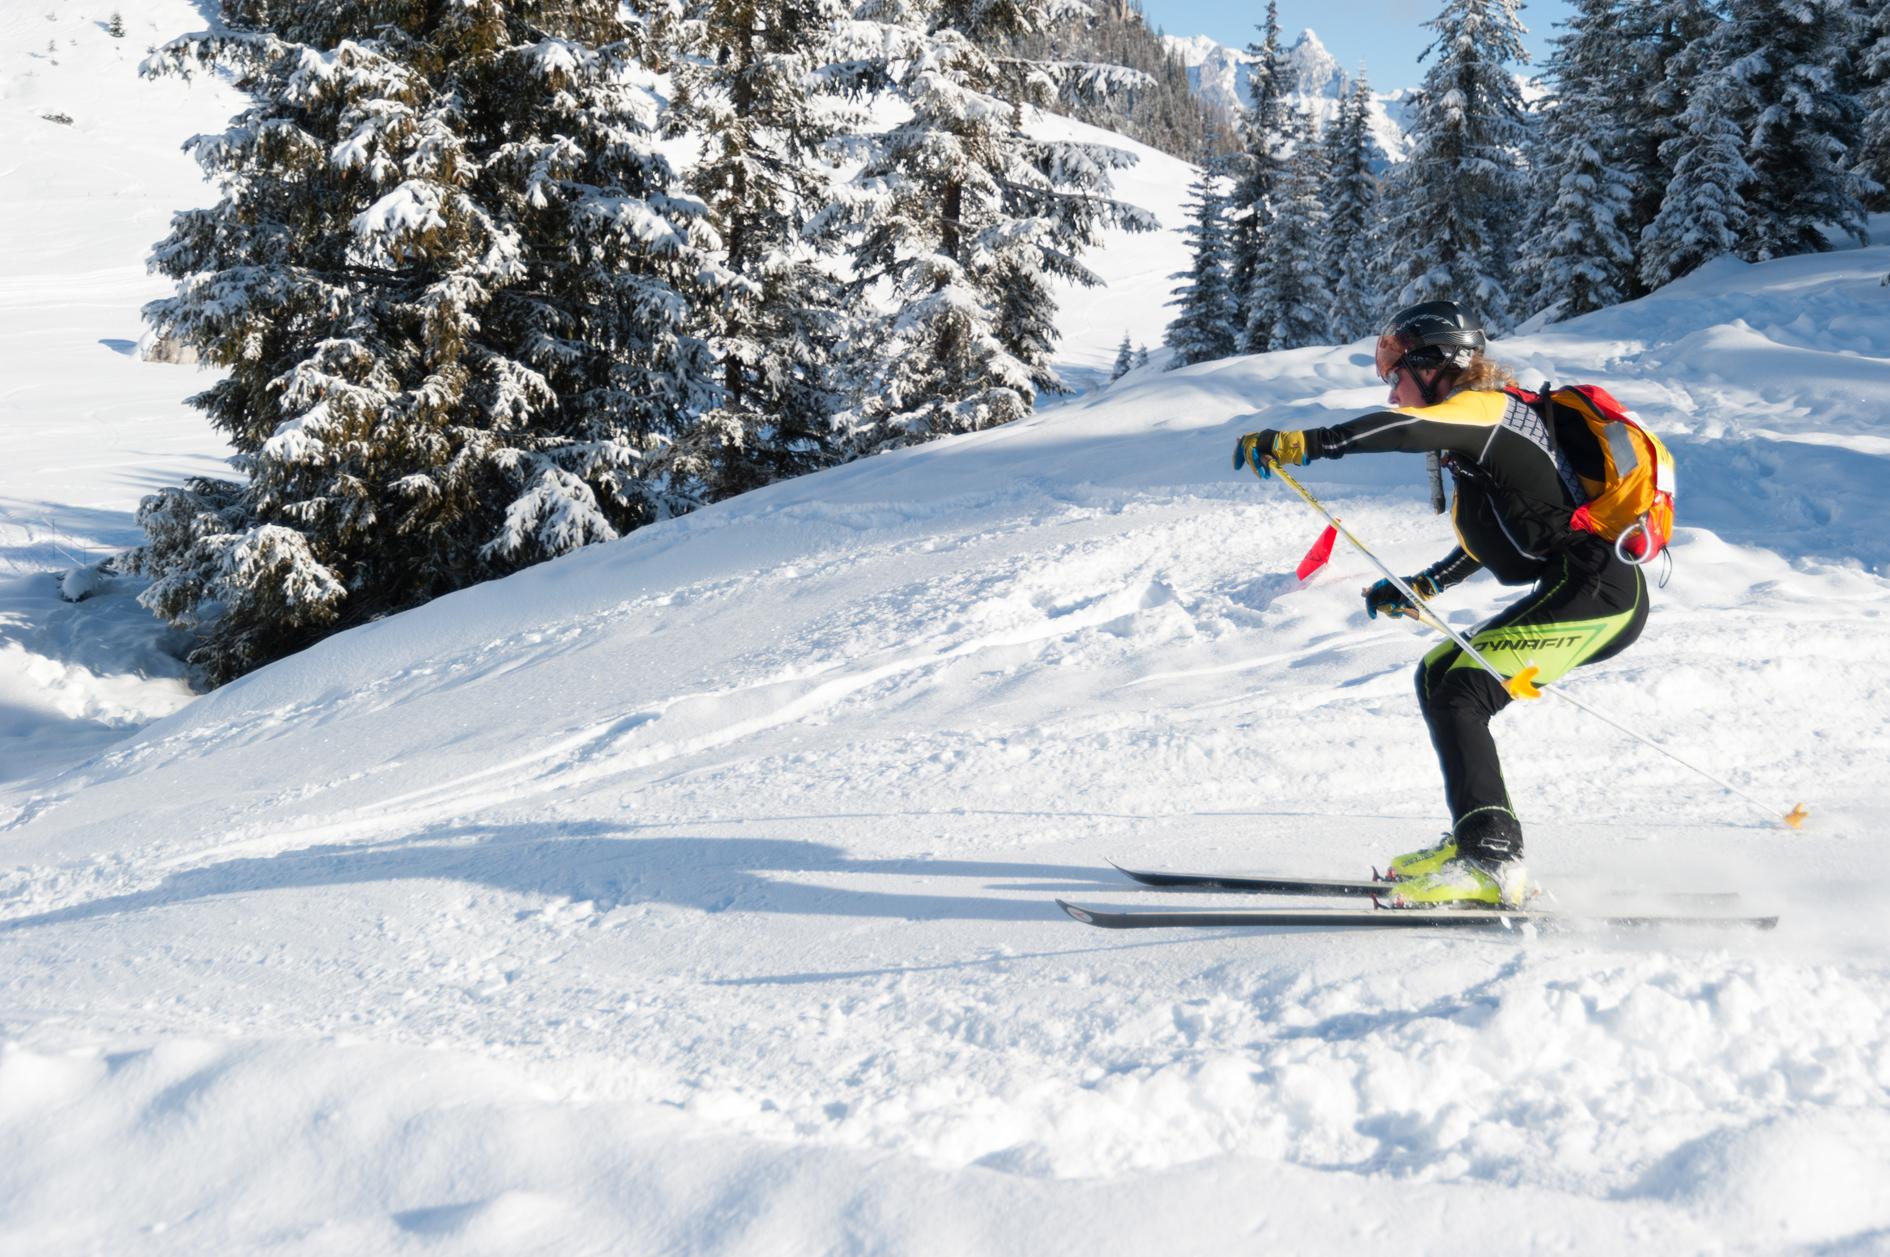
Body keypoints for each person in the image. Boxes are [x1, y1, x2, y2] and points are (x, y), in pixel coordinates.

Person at [1232, 300, 1649, 908]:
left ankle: (1492, 859)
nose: (1392, 392)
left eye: (1395, 375)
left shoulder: (1487, 410)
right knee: (1439, 673)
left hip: (1601, 592)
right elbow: (1494, 539)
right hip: (1579, 586)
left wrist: (1308, 443)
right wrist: (1424, 585)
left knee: (1463, 690)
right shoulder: (1481, 436)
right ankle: (1475, 837)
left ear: (1433, 365)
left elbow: (1403, 430)